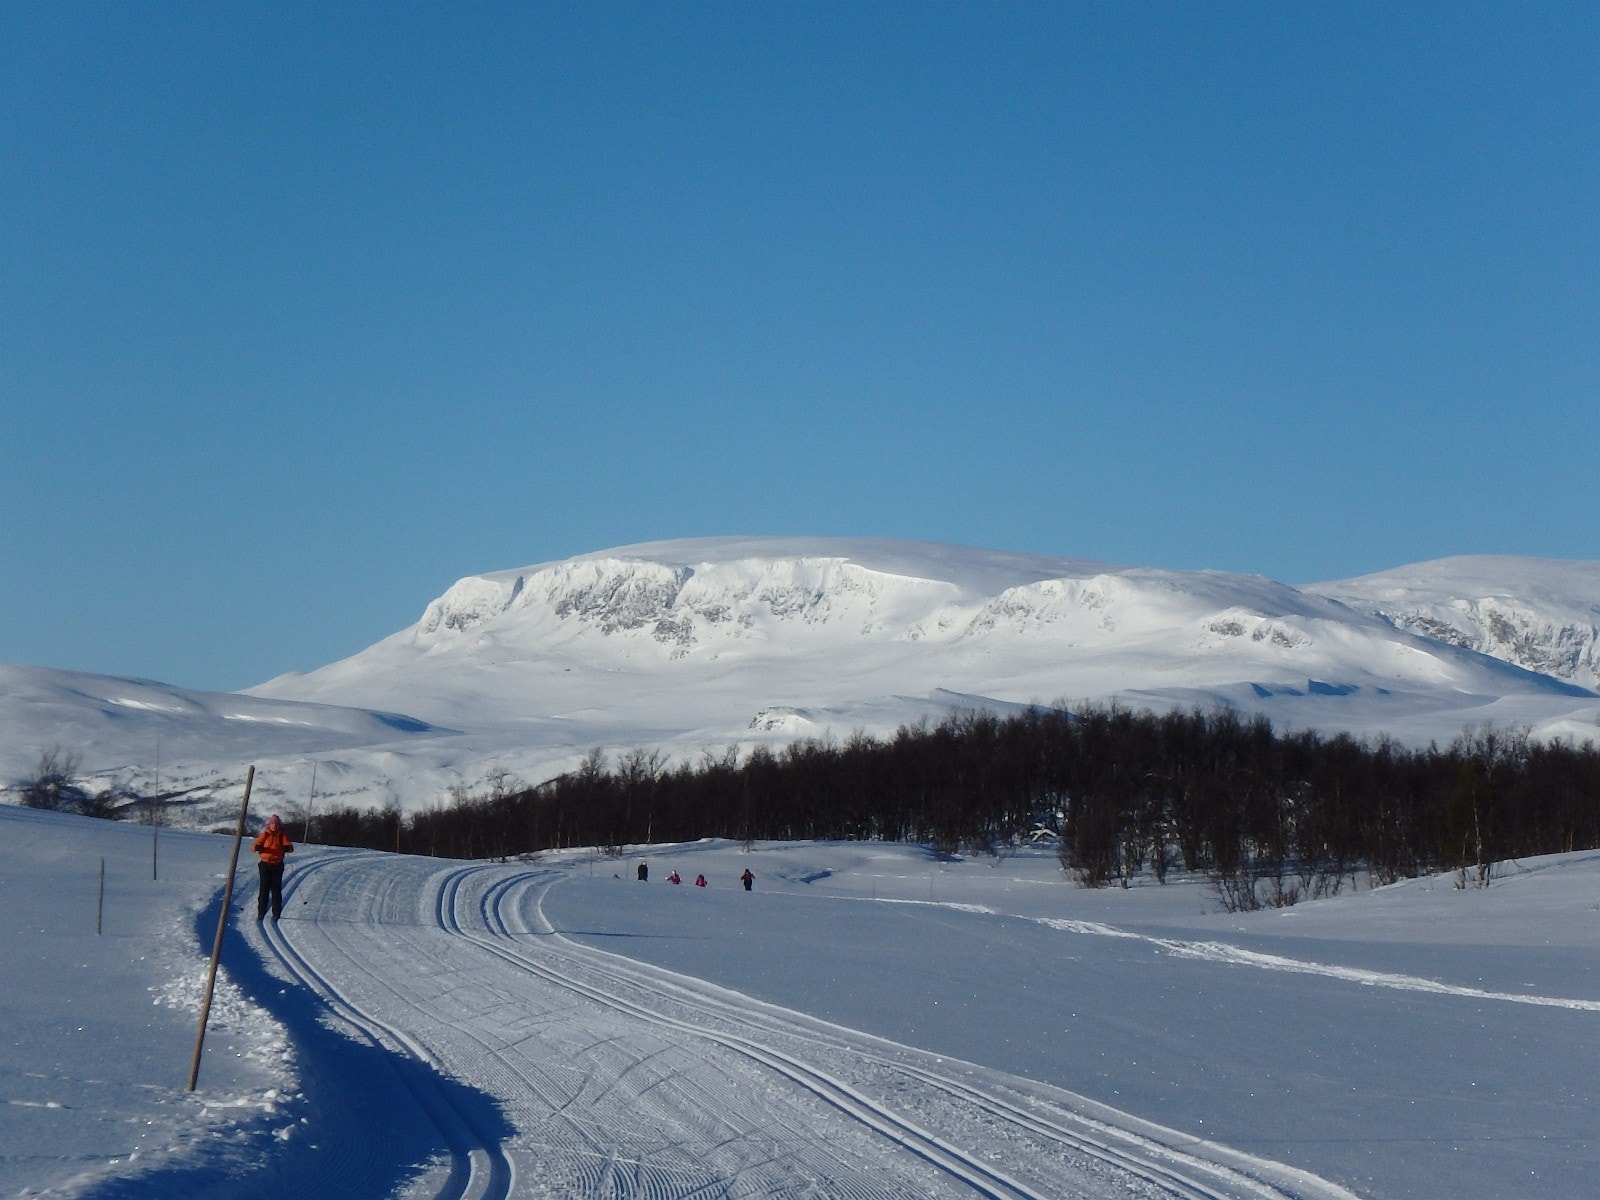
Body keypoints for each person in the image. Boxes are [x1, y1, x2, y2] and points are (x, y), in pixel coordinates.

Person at [252, 814, 294, 921]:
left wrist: (287, 847)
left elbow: (289, 847)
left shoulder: (282, 835)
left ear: (278, 824)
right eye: (272, 823)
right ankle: (261, 912)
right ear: (269, 824)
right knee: (264, 889)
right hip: (265, 864)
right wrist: (257, 847)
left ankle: (276, 913)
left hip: (277, 864)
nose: (274, 825)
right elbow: (254, 846)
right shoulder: (264, 835)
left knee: (276, 889)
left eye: (276, 823)